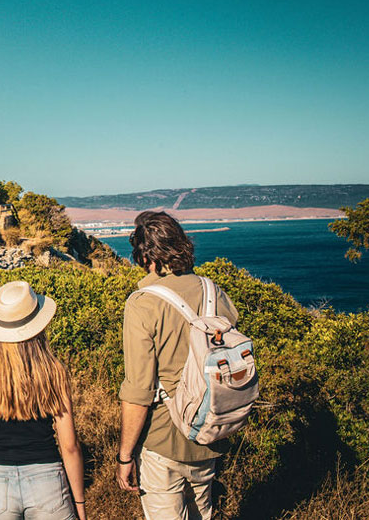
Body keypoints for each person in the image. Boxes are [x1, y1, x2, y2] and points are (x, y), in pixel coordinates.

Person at [116, 211, 240, 520]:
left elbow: (139, 392)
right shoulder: (213, 291)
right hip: (210, 431)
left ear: (147, 257)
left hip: (163, 438)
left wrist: (124, 455)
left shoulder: (142, 303)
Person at [0, 280, 87, 520]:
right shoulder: (54, 370)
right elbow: (70, 446)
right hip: (47, 481)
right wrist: (80, 504)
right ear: (39, 325)